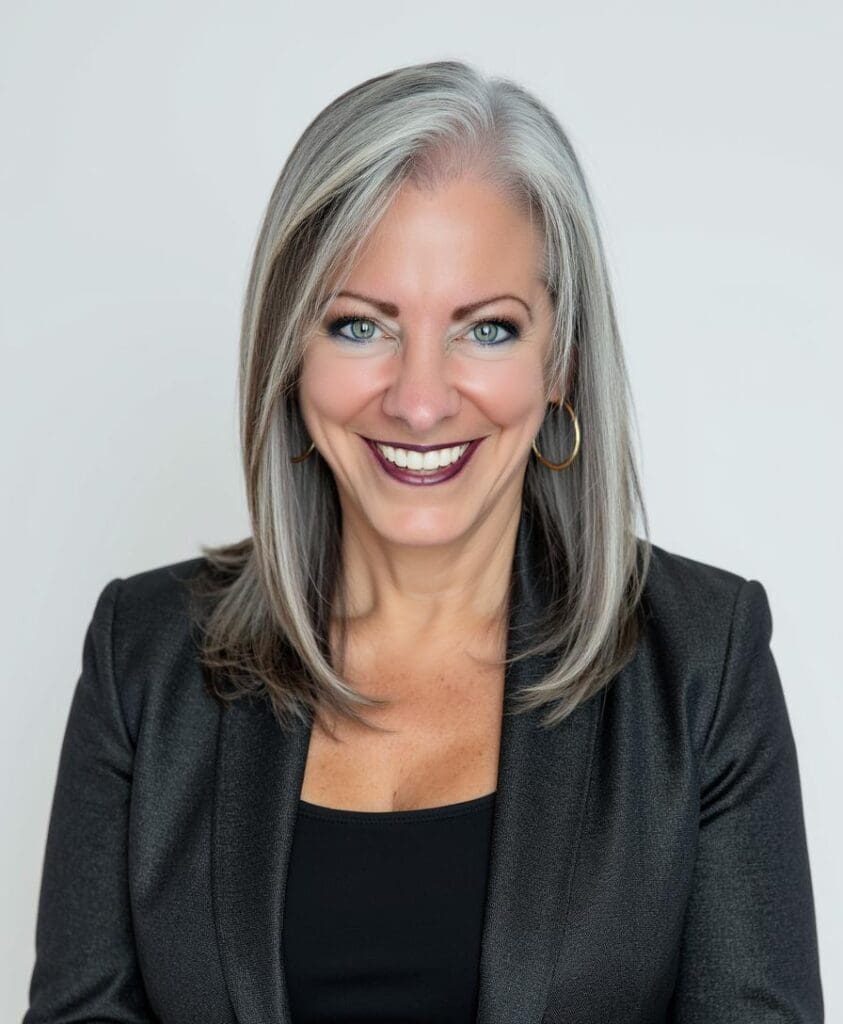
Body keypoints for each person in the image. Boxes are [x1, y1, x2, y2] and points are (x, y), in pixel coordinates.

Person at [23, 60, 823, 1023]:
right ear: (290, 350)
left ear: (558, 357)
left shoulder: (700, 663)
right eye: (360, 325)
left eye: (486, 330)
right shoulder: (141, 657)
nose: (418, 398)